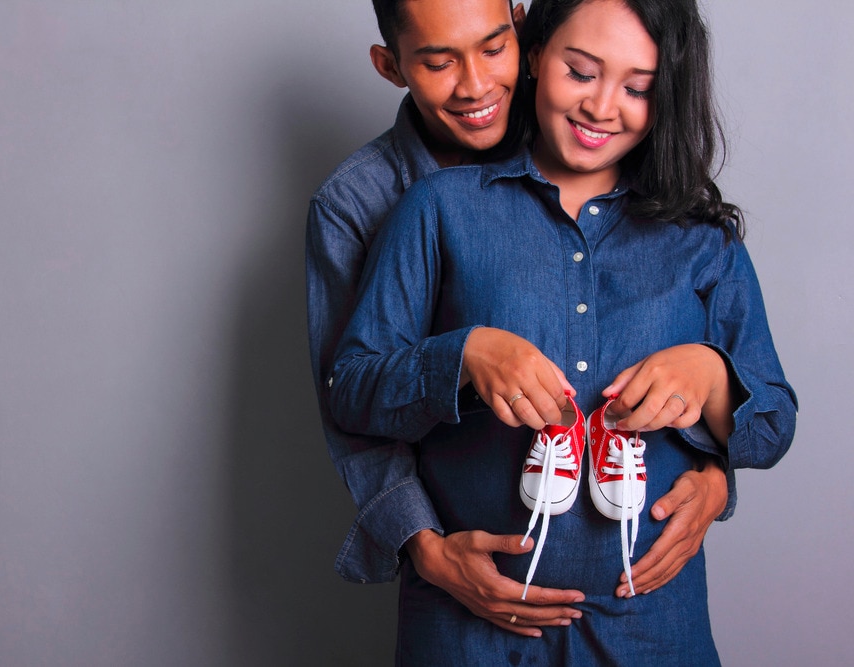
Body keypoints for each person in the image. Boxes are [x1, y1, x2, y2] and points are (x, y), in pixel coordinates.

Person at [327, 0, 797, 662]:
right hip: (470, 631)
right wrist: (460, 356)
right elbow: (350, 387)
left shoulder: (701, 242)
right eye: (580, 71)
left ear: (666, 96)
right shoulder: (439, 209)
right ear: (536, 54)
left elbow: (774, 423)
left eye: (637, 87)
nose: (603, 106)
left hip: (649, 628)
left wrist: (714, 378)